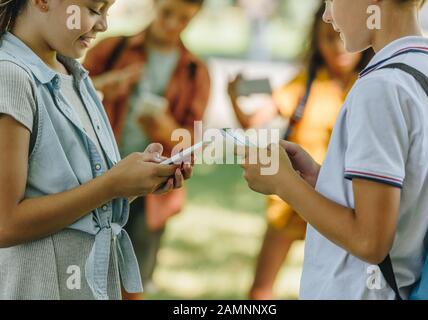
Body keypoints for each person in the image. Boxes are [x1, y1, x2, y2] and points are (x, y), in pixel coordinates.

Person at [240, 0, 428, 299]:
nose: (326, 14)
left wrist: (282, 184)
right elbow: (404, 199)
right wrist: (322, 180)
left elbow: (370, 242)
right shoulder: (425, 71)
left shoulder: (380, 88)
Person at [0, 0, 192, 300]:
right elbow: (5, 223)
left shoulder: (75, 75)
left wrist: (135, 183)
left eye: (107, 10)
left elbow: (77, 200)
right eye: (93, 9)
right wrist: (110, 186)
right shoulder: (10, 76)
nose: (103, 25)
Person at [228, 3, 372, 299]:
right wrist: (232, 96)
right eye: (327, 38)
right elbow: (251, 122)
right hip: (289, 202)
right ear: (315, 42)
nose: (337, 47)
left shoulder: (368, 85)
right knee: (261, 288)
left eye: (342, 36)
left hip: (337, 203)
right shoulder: (303, 84)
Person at [83, 0, 210, 299]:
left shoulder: (195, 71)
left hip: (152, 192)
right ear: (154, 4)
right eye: (167, 13)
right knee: (82, 276)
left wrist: (167, 128)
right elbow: (65, 98)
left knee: (131, 284)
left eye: (183, 19)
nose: (171, 24)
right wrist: (102, 86)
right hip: (96, 178)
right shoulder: (112, 49)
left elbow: (196, 142)